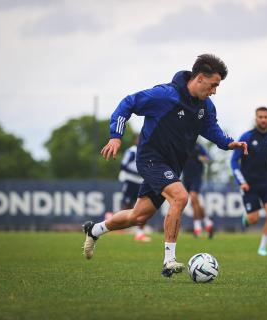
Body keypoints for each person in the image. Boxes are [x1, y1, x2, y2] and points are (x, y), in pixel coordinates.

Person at [82, 54, 248, 278]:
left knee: (138, 216)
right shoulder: (164, 95)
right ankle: (169, 260)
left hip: (172, 165)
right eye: (213, 85)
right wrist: (115, 136)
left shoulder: (206, 107)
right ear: (199, 78)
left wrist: (229, 143)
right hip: (150, 158)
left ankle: (94, 230)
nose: (214, 91)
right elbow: (127, 103)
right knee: (180, 197)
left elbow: (211, 129)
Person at [230, 106, 267, 256]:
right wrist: (241, 182)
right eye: (260, 117)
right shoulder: (247, 137)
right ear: (256, 119)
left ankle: (262, 248)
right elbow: (233, 161)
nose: (263, 119)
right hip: (249, 184)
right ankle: (247, 218)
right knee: (253, 219)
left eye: (266, 117)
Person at [118, 138, 151, 242]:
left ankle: (140, 233)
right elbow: (123, 165)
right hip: (130, 181)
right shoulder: (132, 151)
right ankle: (119, 227)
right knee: (127, 205)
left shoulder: (149, 151)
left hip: (142, 182)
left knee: (144, 208)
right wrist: (138, 172)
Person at [182, 142, 214, 238]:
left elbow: (209, 159)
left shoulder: (199, 147)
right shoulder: (183, 145)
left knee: (193, 197)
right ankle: (208, 223)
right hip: (186, 178)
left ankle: (197, 227)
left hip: (196, 178)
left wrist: (202, 158)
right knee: (195, 202)